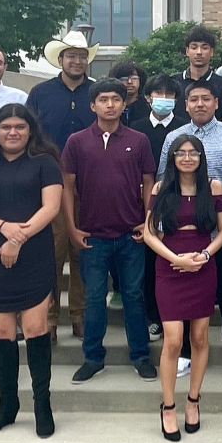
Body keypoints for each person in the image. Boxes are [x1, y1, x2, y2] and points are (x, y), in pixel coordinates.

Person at [0, 103, 62, 438]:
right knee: (2, 332)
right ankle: (7, 406)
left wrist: (18, 239)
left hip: (34, 254)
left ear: (31, 130)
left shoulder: (45, 162)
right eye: (6, 127)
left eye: (20, 127)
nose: (13, 132)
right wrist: (5, 229)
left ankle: (42, 406)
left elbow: (51, 207)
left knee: (35, 328)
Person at [61, 78, 157, 384]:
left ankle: (140, 355)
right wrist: (72, 227)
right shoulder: (77, 141)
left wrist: (148, 222)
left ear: (124, 104)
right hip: (92, 236)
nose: (110, 105)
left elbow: (149, 183)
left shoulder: (138, 140)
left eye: (116, 99)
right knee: (93, 298)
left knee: (133, 296)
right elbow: (67, 187)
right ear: (93, 105)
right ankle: (92, 358)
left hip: (131, 235)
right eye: (103, 100)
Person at [158, 80, 222, 383]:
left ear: (216, 103)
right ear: (185, 105)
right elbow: (164, 180)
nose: (200, 104)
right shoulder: (173, 138)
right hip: (180, 233)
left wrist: (210, 215)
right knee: (185, 293)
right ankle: (185, 351)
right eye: (194, 99)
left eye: (206, 99)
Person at [143, 135, 222, 441]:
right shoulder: (160, 188)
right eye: (181, 152)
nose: (188, 157)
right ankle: (168, 407)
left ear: (201, 157)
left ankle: (193, 401)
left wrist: (204, 256)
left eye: (193, 153)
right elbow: (149, 233)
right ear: (173, 157)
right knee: (174, 340)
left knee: (200, 337)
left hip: (203, 265)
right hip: (170, 265)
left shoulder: (214, 187)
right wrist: (175, 259)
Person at [26, 31, 99, 341]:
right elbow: (28, 135)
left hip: (90, 184)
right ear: (60, 59)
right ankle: (51, 318)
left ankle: (80, 316)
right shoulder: (40, 93)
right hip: (50, 184)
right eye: (71, 56)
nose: (77, 61)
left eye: (82, 56)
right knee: (52, 253)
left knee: (82, 251)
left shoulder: (97, 93)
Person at [130, 74, 190, 341]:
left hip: (180, 201)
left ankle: (183, 316)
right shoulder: (137, 127)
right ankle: (154, 317)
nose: (163, 99)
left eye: (169, 94)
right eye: (158, 94)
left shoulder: (184, 127)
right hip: (146, 201)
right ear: (147, 98)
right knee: (151, 263)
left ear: (177, 99)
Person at [172, 25, 222, 122]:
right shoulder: (174, 82)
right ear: (187, 51)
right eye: (194, 47)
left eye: (204, 48)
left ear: (211, 52)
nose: (199, 52)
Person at [110, 60, 151, 126]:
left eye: (134, 78)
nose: (129, 82)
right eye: (124, 78)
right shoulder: (111, 106)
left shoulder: (148, 107)